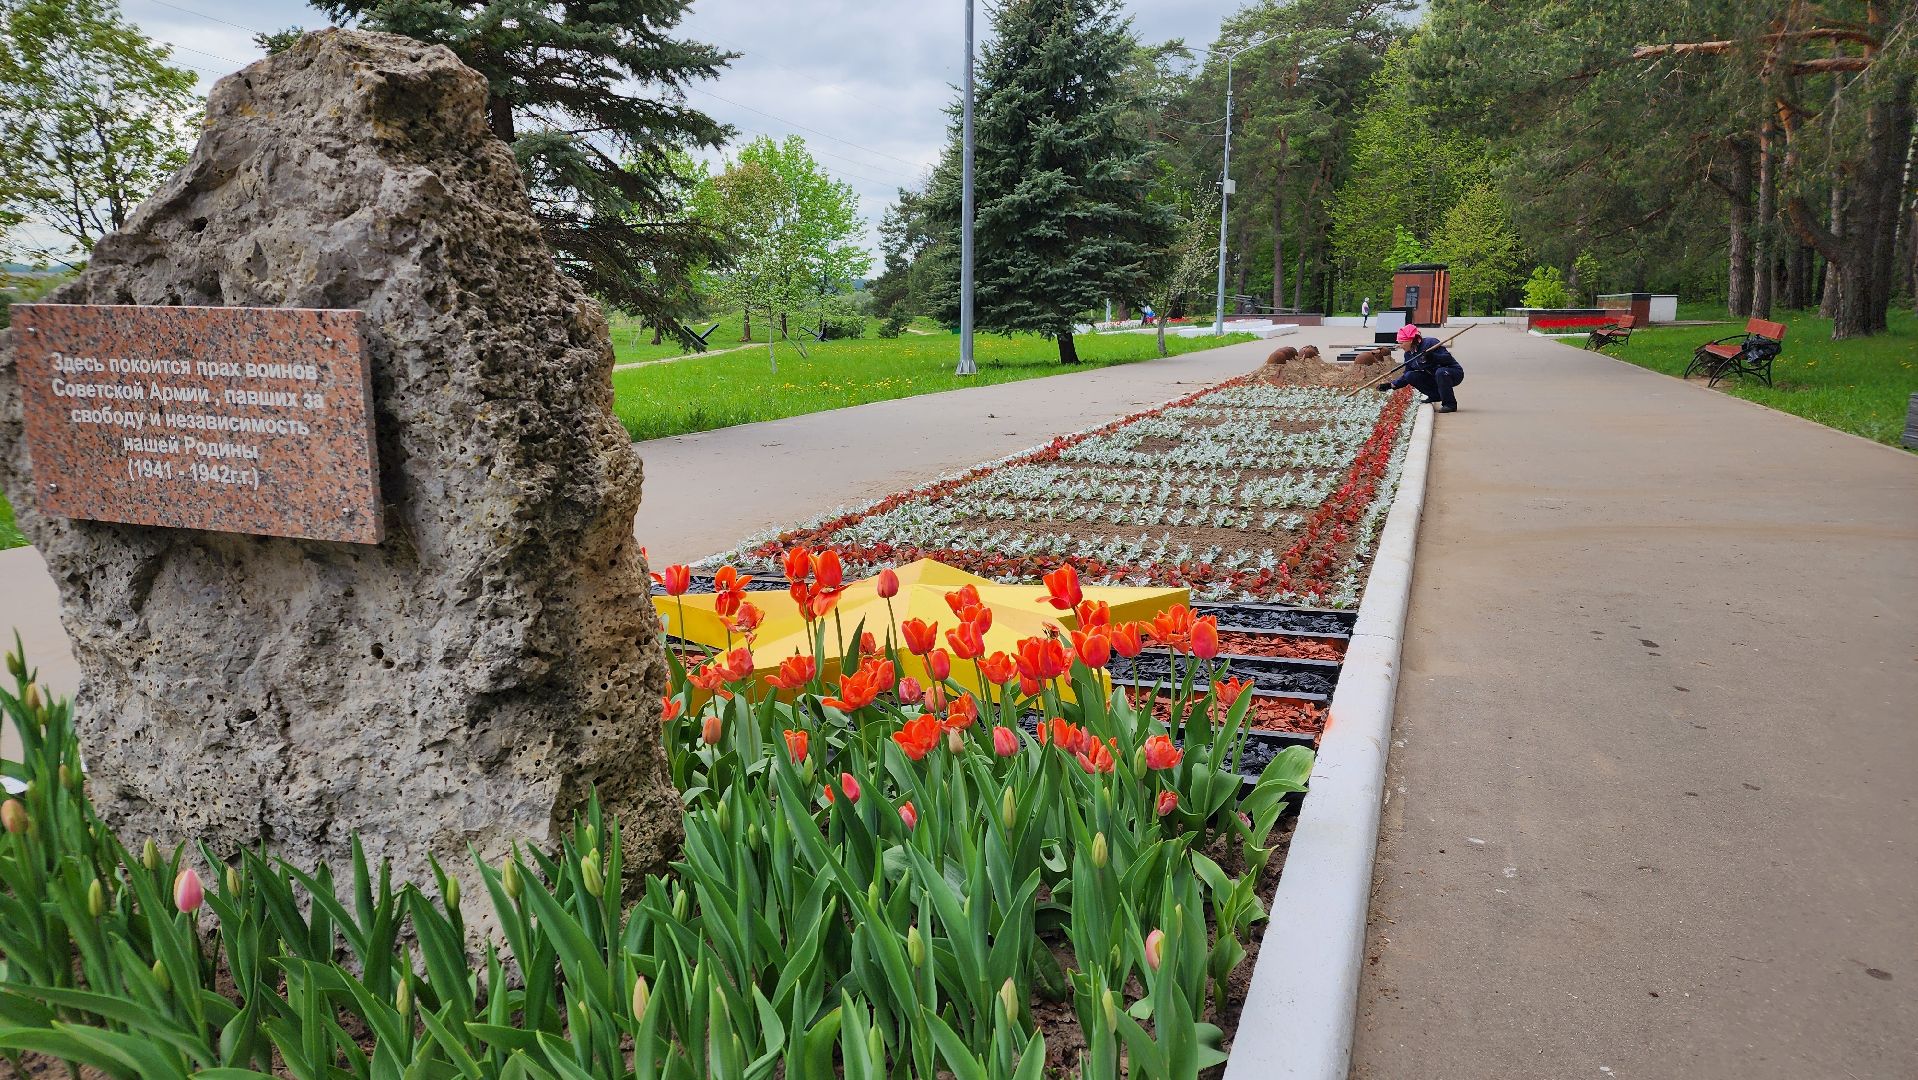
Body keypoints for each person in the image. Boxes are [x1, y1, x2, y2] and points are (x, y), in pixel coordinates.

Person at [1378, 323, 1464, 412]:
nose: (1400, 346)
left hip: (1452, 373)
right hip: (1433, 376)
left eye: (1401, 343)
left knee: (1440, 372)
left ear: (1410, 340)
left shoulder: (1430, 343)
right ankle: (1435, 396)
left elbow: (1447, 358)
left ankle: (1450, 404)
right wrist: (1391, 385)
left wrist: (1432, 357)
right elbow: (1407, 375)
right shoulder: (1408, 354)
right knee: (1410, 375)